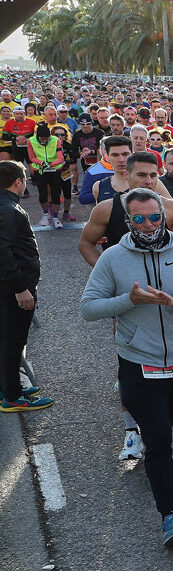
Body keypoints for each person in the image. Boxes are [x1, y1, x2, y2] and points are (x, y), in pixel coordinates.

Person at [80, 188, 173, 547]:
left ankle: (151, 443)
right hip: (137, 362)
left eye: (154, 217)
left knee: (165, 422)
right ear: (128, 221)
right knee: (160, 439)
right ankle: (170, 516)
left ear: (165, 215)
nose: (147, 224)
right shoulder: (113, 258)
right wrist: (129, 300)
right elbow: (88, 308)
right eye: (138, 219)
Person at [0, 161, 51, 411]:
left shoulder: (7, 204)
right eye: (25, 179)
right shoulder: (7, 208)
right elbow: (3, 251)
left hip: (12, 285)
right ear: (18, 181)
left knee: (7, 340)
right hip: (14, 289)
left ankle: (8, 387)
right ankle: (12, 397)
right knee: (13, 341)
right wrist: (21, 288)